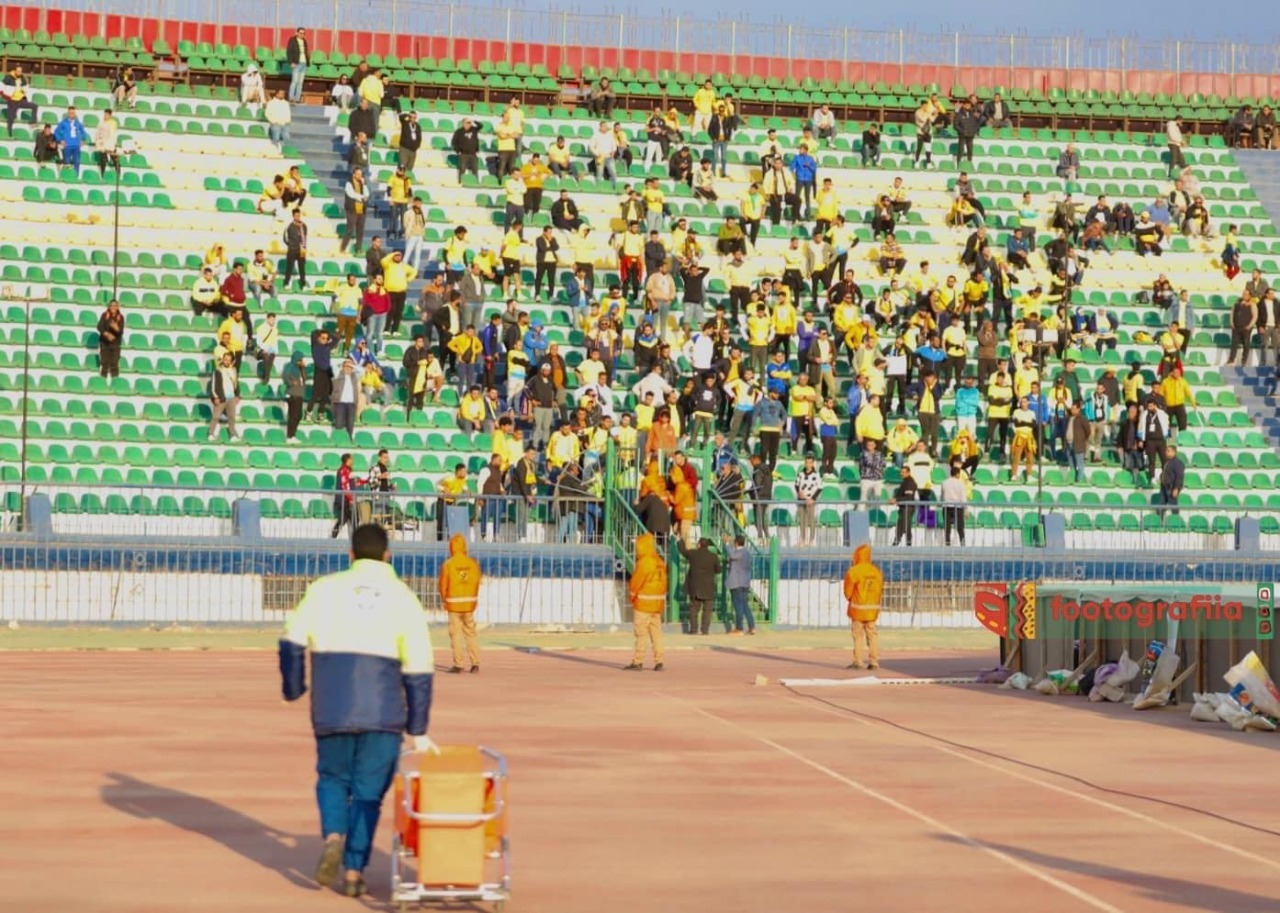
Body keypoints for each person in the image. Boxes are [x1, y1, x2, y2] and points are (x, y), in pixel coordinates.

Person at [279, 522, 436, 899]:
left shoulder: (323, 589)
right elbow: (419, 667)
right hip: (383, 713)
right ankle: (352, 872)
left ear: (350, 555)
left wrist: (294, 688)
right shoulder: (403, 597)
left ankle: (334, 835)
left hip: (331, 708)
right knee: (368, 795)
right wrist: (417, 727)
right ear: (387, 556)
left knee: (333, 778)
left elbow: (291, 641)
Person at [624, 533, 667, 671]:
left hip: (643, 604)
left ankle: (638, 661)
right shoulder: (659, 561)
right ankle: (659, 661)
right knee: (656, 634)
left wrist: (632, 597)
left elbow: (636, 582)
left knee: (641, 634)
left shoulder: (644, 563)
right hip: (656, 604)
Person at [439, 532, 482, 673]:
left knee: (456, 634)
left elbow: (443, 584)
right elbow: (476, 582)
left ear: (451, 547)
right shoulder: (473, 564)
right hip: (469, 604)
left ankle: (459, 664)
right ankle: (475, 663)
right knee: (471, 633)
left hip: (453, 604)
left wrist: (444, 599)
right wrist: (474, 599)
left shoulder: (448, 564)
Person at [843, 544, 883, 670]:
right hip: (872, 610)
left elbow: (848, 592)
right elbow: (879, 590)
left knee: (858, 635)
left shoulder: (853, 571)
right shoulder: (876, 571)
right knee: (872, 635)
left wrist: (852, 599)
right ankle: (874, 662)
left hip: (858, 609)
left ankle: (858, 661)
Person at [678, 537, 721, 636]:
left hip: (695, 586)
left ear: (699, 545)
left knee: (694, 609)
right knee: (707, 610)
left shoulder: (693, 554)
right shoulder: (713, 556)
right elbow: (718, 570)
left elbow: (683, 551)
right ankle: (705, 630)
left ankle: (694, 629)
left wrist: (680, 540)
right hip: (708, 587)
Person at [724, 534, 755, 635]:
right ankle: (751, 626)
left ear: (736, 543)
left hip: (737, 583)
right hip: (745, 582)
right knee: (745, 605)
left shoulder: (740, 552)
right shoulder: (747, 552)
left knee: (738, 606)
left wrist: (727, 544)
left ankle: (739, 628)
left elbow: (732, 555)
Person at [1158, 445, 1185, 517]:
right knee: (1161, 506)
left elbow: (1179, 477)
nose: (1166, 452)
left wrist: (1176, 488)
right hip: (1164, 487)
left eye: (1168, 451)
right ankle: (1159, 522)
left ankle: (1176, 521)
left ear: (1174, 452)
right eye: (1166, 451)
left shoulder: (1178, 463)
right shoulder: (1168, 462)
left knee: (1173, 507)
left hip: (1171, 487)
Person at [285, 27, 309, 103]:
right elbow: (289, 51)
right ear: (297, 33)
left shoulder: (304, 41)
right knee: (294, 81)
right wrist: (290, 62)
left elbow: (306, 52)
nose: (302, 34)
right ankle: (291, 98)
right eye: (300, 33)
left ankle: (297, 98)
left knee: (300, 83)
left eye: (303, 33)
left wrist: (307, 63)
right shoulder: (292, 40)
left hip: (304, 63)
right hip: (296, 63)